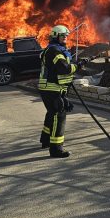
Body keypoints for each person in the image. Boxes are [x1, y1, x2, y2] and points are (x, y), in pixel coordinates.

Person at [38, 25, 79, 158]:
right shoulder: (54, 51)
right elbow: (64, 68)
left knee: (51, 114)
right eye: (62, 36)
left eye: (66, 35)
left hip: (53, 88)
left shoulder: (55, 49)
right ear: (55, 36)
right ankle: (56, 149)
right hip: (51, 88)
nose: (65, 37)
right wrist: (77, 66)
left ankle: (45, 140)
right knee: (59, 116)